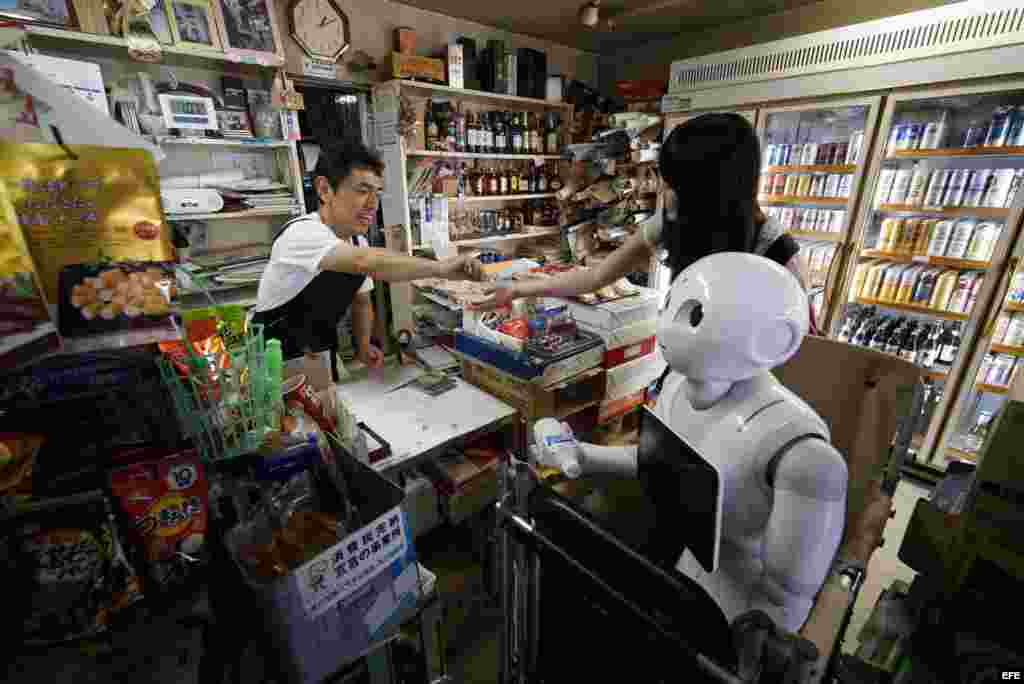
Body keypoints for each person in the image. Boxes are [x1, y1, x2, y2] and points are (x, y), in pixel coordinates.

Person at [476, 112, 808, 307]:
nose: (666, 193)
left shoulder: (778, 253)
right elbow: (595, 277)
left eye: (677, 186)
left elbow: (791, 351)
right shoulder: (677, 219)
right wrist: (517, 288)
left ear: (714, 189)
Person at [251, 139, 483, 377]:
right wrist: (441, 268)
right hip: (274, 362)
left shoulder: (357, 242)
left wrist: (362, 346)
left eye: (377, 193)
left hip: (319, 353)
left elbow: (361, 301)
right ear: (324, 189)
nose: (373, 205)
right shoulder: (302, 233)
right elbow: (364, 262)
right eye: (362, 191)